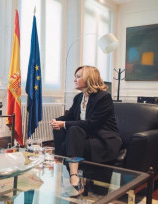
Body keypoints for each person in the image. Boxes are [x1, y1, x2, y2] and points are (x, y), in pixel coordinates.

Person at [50, 65, 122, 194]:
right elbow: (70, 116)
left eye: (78, 77)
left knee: (72, 129)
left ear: (89, 78)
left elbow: (93, 123)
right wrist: (57, 120)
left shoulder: (103, 98)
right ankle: (61, 162)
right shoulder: (79, 98)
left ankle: (72, 176)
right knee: (66, 127)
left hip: (103, 138)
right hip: (86, 136)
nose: (74, 80)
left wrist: (64, 123)